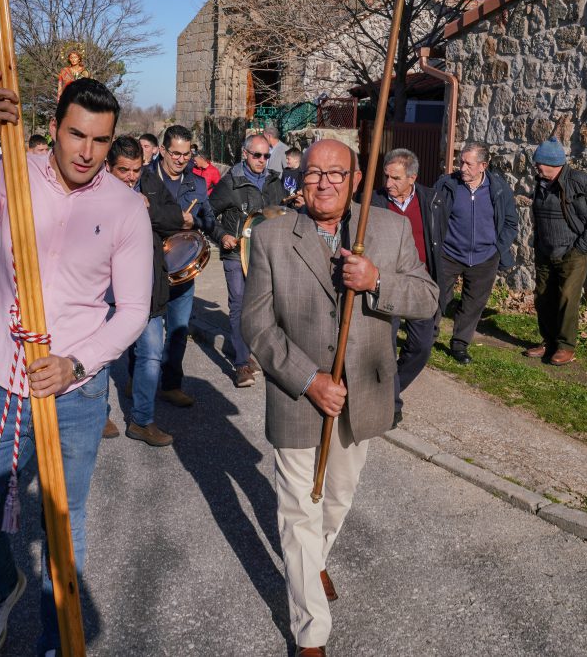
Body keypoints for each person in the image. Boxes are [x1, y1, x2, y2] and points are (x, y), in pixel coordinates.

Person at [0, 76, 152, 657]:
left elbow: (132, 313)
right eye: (76, 133)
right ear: (54, 126)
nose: (85, 151)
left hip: (74, 395)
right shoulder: (15, 174)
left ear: (112, 141)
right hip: (0, 382)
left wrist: (78, 363)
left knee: (61, 533)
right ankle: (1, 588)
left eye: (100, 141)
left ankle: (58, 641)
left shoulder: (125, 208)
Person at [242, 139, 438, 657]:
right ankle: (311, 631)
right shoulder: (271, 237)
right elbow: (256, 325)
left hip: (363, 395)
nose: (324, 182)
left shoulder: (388, 230)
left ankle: (316, 560)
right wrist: (310, 380)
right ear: (300, 181)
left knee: (335, 501)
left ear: (356, 180)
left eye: (336, 173)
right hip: (297, 396)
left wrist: (377, 280)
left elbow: (426, 299)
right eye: (313, 174)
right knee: (297, 513)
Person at [105, 135, 185, 444]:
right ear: (108, 167)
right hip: (107, 291)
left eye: (136, 170)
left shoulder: (151, 182)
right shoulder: (95, 189)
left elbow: (175, 217)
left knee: (151, 355)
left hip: (148, 288)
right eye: (123, 170)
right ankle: (98, 416)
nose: (131, 177)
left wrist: (146, 210)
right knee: (103, 357)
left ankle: (142, 421)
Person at [528, 137, 587, 365]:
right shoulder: (541, 182)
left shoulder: (582, 182)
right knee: (543, 297)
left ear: (552, 163)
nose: (536, 167)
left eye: (538, 163)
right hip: (545, 251)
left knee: (566, 298)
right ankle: (549, 342)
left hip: (573, 252)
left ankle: (565, 346)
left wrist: (581, 246)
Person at [209, 133, 287, 388]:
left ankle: (260, 353)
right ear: (245, 154)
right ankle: (242, 364)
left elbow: (279, 213)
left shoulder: (275, 182)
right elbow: (207, 213)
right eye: (257, 155)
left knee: (264, 308)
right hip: (236, 253)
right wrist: (222, 236)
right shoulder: (231, 182)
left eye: (266, 155)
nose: (262, 160)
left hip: (265, 255)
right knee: (239, 305)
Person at [432, 141, 518, 364]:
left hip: (484, 257)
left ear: (483, 166)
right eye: (461, 162)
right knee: (438, 296)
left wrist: (497, 248)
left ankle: (460, 345)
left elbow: (510, 222)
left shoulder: (499, 189)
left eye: (468, 164)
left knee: (473, 303)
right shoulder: (446, 185)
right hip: (449, 253)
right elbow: (432, 216)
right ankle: (426, 336)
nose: (462, 168)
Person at [371, 148, 439, 426]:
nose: (388, 183)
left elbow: (440, 239)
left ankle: (389, 389)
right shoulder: (372, 202)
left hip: (419, 283)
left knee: (422, 346)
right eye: (386, 176)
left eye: (396, 178)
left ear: (413, 178)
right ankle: (392, 402)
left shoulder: (431, 200)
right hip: (385, 283)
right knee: (385, 348)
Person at [151, 124, 216, 407]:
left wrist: (196, 222)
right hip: (149, 267)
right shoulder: (145, 178)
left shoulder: (197, 185)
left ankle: (170, 384)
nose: (180, 160)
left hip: (182, 270)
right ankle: (134, 376)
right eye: (174, 153)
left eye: (185, 155)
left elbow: (210, 222)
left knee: (178, 330)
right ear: (163, 150)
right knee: (142, 331)